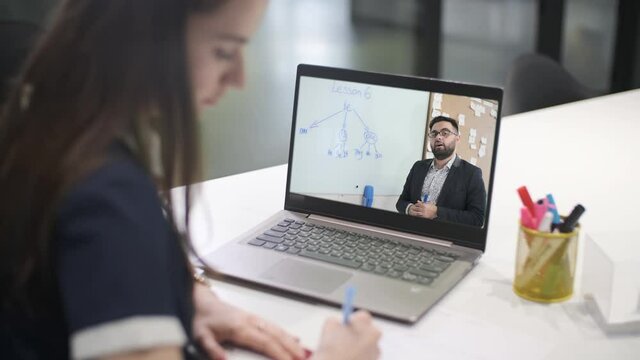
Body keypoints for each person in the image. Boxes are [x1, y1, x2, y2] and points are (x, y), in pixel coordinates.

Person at [0, 1, 381, 359]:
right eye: (224, 52)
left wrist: (181, 297)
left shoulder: (35, 121)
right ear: (147, 39)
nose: (239, 78)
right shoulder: (110, 200)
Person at [395, 116, 486, 226]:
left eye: (445, 133)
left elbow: (477, 218)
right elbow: (401, 202)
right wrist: (409, 209)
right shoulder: (418, 167)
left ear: (457, 138)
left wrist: (437, 212)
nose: (438, 137)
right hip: (413, 231)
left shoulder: (472, 173)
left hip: (445, 238)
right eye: (434, 134)